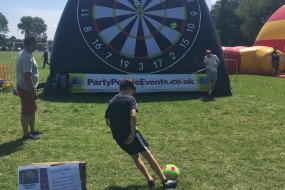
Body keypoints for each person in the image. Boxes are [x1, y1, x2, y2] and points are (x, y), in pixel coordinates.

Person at [105, 78, 177, 189]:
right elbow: (133, 116)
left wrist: (118, 132)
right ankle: (165, 181)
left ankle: (150, 180)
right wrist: (132, 134)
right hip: (130, 135)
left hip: (118, 137)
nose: (134, 91)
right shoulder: (131, 99)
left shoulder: (112, 101)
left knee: (136, 156)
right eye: (134, 89)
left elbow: (108, 121)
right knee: (148, 155)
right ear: (129, 89)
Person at [16, 36, 43, 140]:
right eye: (35, 43)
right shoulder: (26, 57)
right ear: (30, 43)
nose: (36, 45)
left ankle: (32, 131)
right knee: (27, 112)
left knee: (32, 110)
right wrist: (33, 92)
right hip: (26, 89)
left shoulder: (27, 54)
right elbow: (27, 76)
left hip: (27, 88)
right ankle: (26, 134)